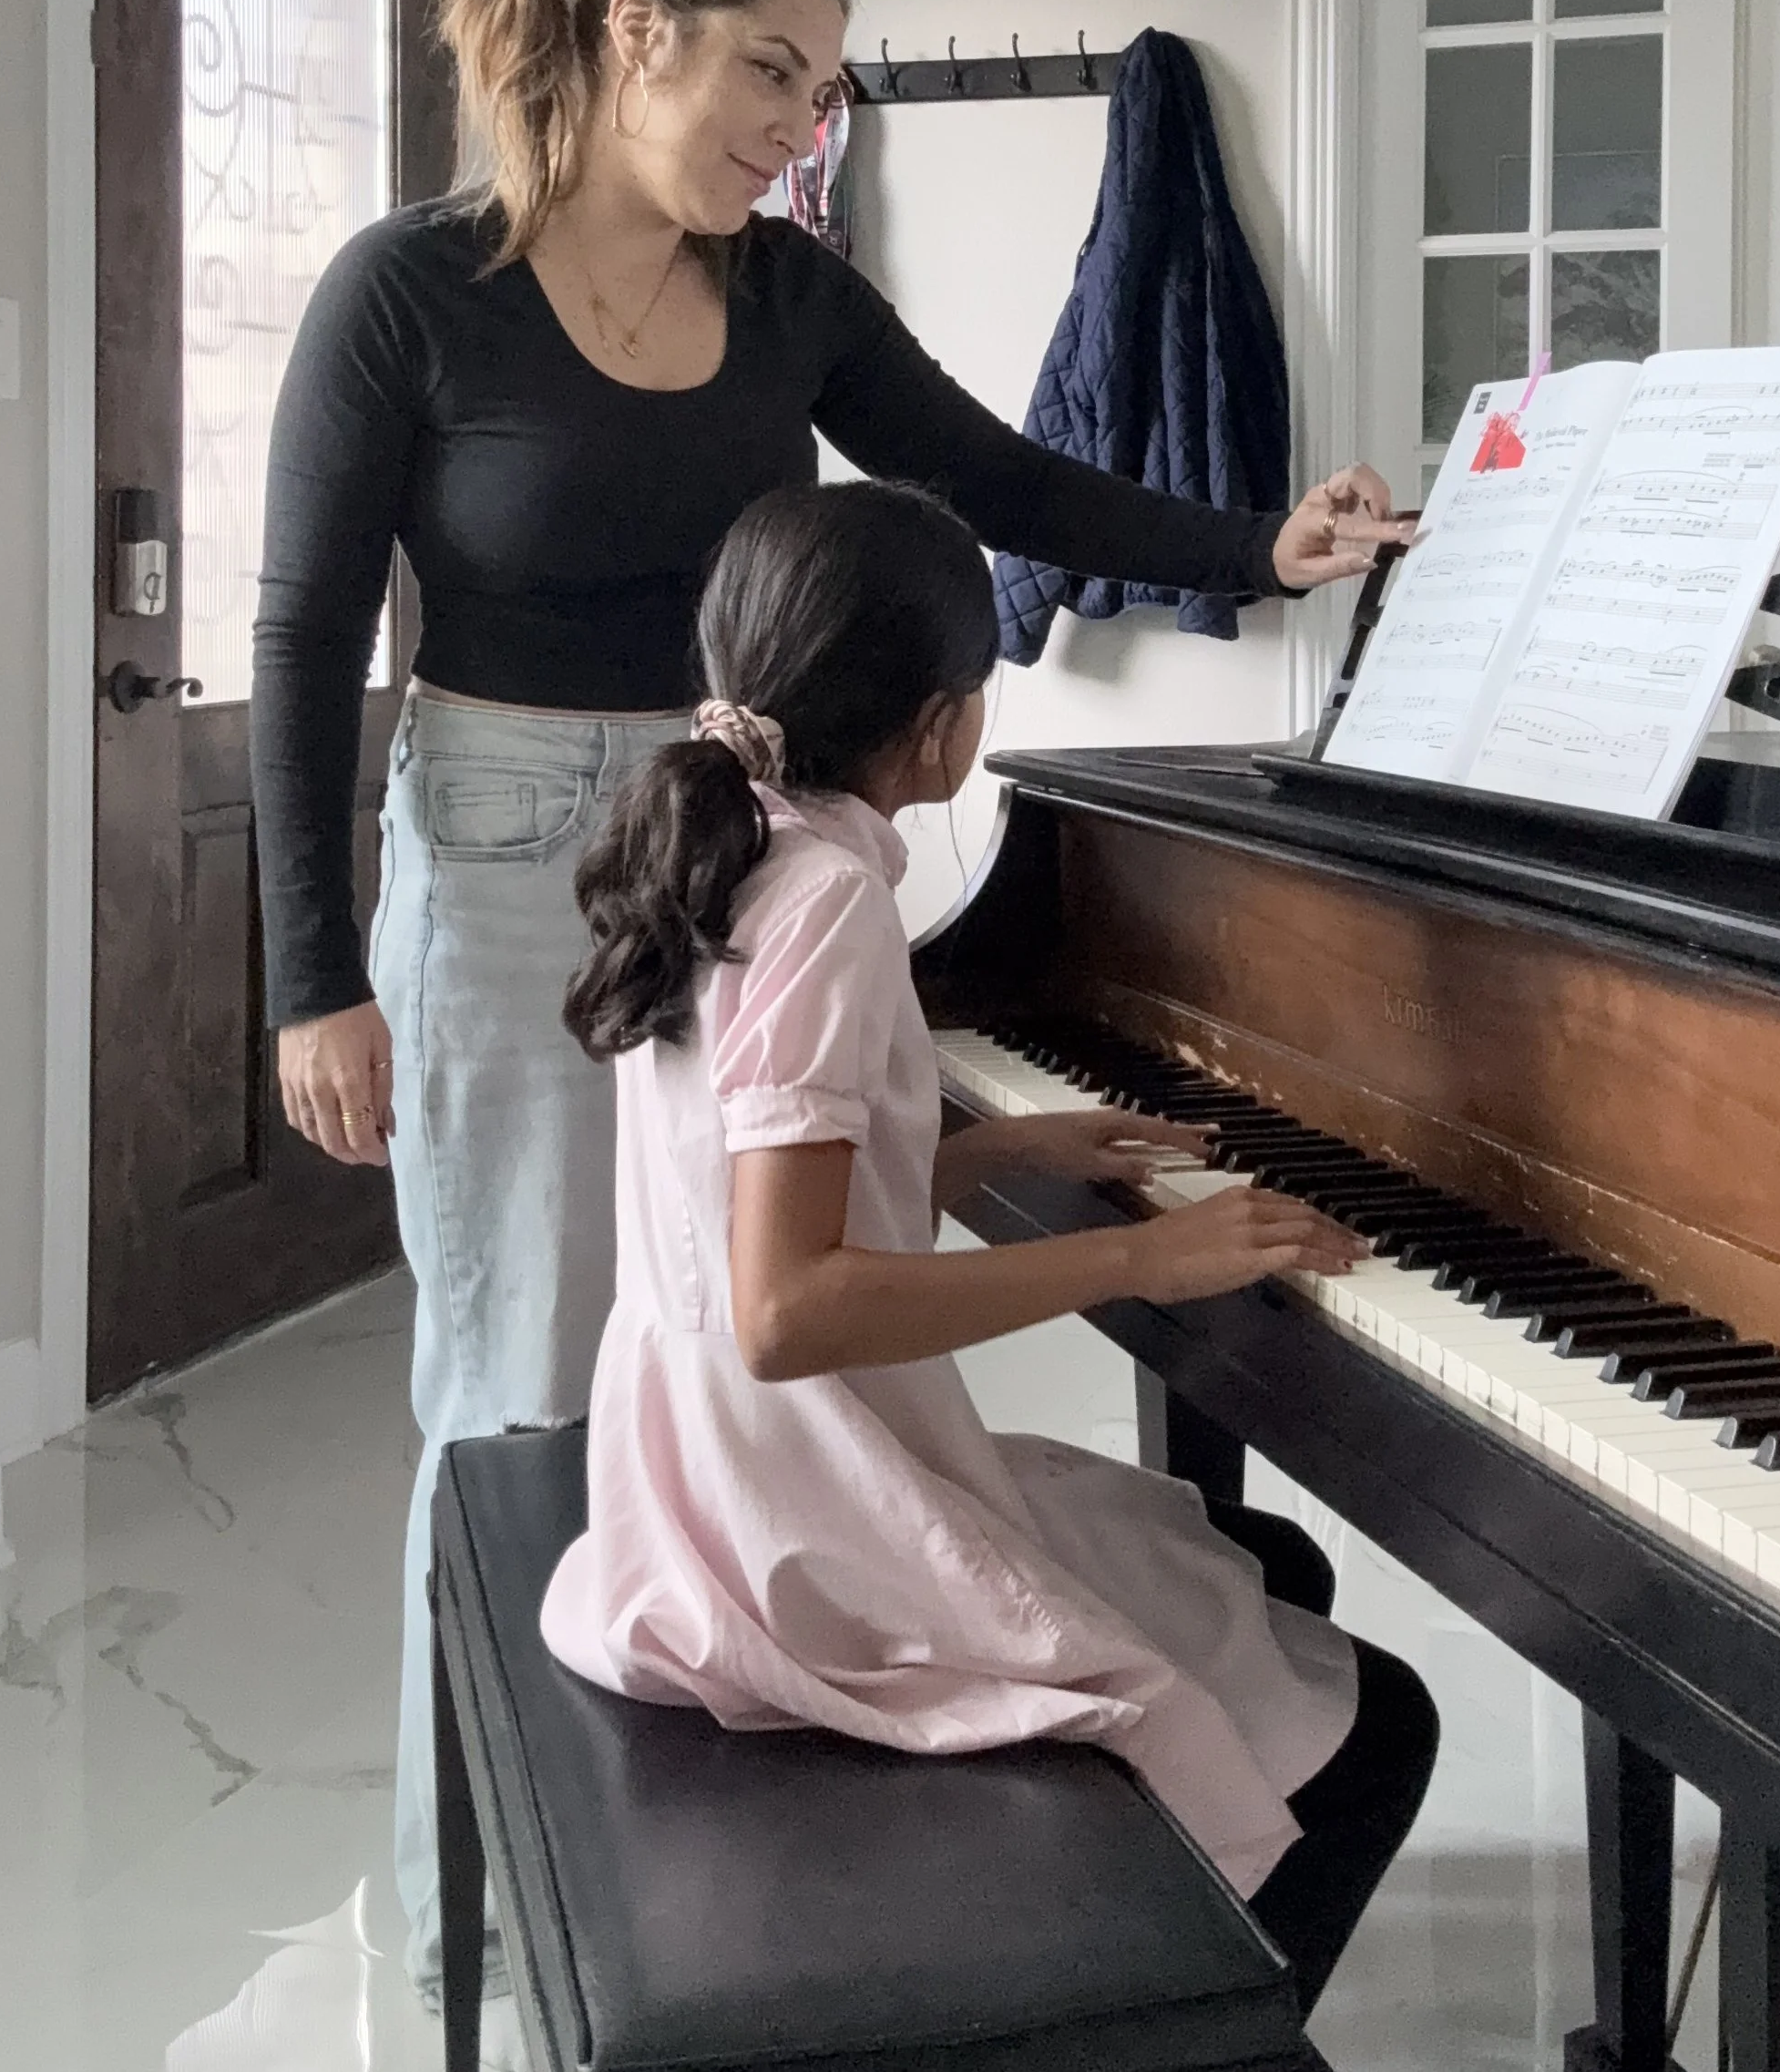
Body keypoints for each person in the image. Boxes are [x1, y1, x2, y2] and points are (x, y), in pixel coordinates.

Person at [250, 0, 1408, 1985]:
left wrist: (1259, 543)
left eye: (818, 87)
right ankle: (462, 1935)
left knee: (722, 1392)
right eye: (766, 69)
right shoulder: (408, 294)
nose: (795, 126)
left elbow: (993, 474)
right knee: (519, 1407)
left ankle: (735, 1927)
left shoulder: (788, 297)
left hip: (732, 830)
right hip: (498, 858)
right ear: (625, 30)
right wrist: (309, 973)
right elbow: (308, 635)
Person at [542, 481, 1439, 2013]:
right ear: (949, 725)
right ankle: (1169, 2034)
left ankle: (1145, 1939)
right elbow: (786, 1306)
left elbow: (743, 1192)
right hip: (797, 1516)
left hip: (698, 1470)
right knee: (1386, 1724)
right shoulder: (826, 902)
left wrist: (982, 1154)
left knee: (1257, 1562)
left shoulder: (729, 836)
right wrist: (1141, 1262)